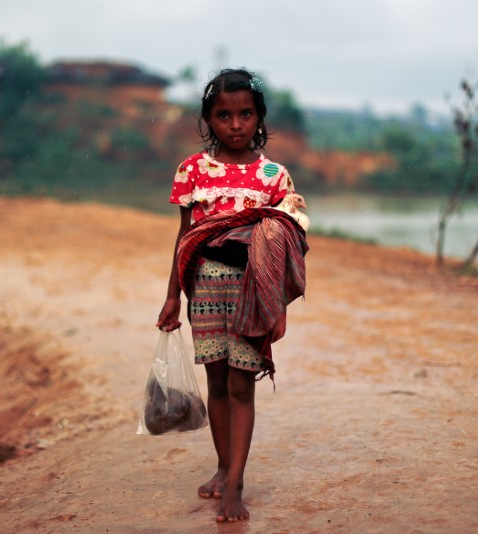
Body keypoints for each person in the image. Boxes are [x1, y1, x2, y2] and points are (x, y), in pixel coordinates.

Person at [156, 68, 309, 523]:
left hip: (252, 291)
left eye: (245, 114)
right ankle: (223, 467)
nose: (236, 124)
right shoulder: (192, 171)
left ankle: (236, 485)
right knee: (218, 383)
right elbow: (185, 239)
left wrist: (276, 301)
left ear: (259, 116)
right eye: (224, 115)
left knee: (243, 385)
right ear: (208, 119)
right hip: (203, 288)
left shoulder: (275, 177)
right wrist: (170, 297)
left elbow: (289, 242)